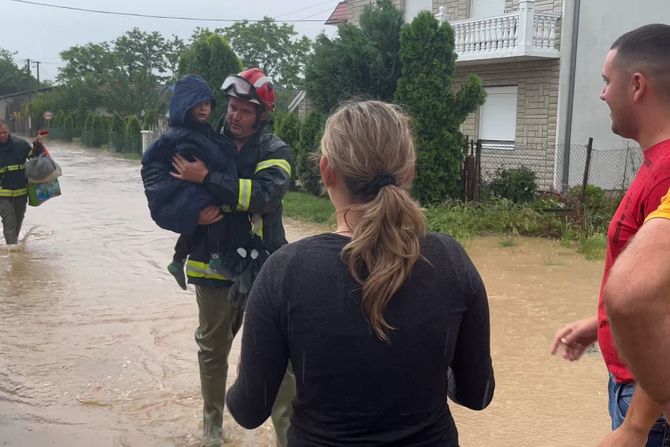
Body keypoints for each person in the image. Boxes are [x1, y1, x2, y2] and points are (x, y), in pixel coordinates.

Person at [226, 100, 495, 446]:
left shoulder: (284, 271)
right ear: (409, 171)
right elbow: (478, 393)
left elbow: (248, 410)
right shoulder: (450, 260)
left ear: (326, 171)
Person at [550, 24, 670, 446]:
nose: (602, 94)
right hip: (634, 389)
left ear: (637, 86)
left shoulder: (667, 174)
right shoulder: (655, 164)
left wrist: (636, 426)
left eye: (606, 81)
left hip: (647, 403)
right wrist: (601, 324)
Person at [163, 68, 295, 446]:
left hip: (265, 268)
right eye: (232, 107)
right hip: (211, 264)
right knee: (212, 350)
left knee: (281, 357)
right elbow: (169, 194)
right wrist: (192, 212)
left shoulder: (276, 151)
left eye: (245, 110)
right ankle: (212, 432)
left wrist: (206, 180)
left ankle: (288, 436)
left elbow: (265, 195)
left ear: (261, 116)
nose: (234, 115)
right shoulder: (206, 143)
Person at [141, 74, 249, 293]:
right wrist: (219, 166)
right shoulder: (182, 135)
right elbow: (153, 162)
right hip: (191, 192)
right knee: (215, 217)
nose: (203, 109)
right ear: (184, 106)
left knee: (200, 225)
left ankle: (178, 260)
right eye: (197, 104)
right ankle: (214, 260)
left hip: (198, 193)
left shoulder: (204, 132)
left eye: (207, 104)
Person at [605, 189, 670, 418]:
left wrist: (637, 425)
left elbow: (634, 293)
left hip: (638, 391)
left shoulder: (663, 170)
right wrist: (601, 322)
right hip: (624, 382)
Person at [0, 119, 32, 245]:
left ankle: (14, 247)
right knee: (9, 223)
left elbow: (34, 157)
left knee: (18, 221)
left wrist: (38, 144)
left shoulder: (21, 144)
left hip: (21, 193)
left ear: (8, 130)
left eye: (4, 132)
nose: (1, 135)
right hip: (2, 195)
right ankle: (12, 253)